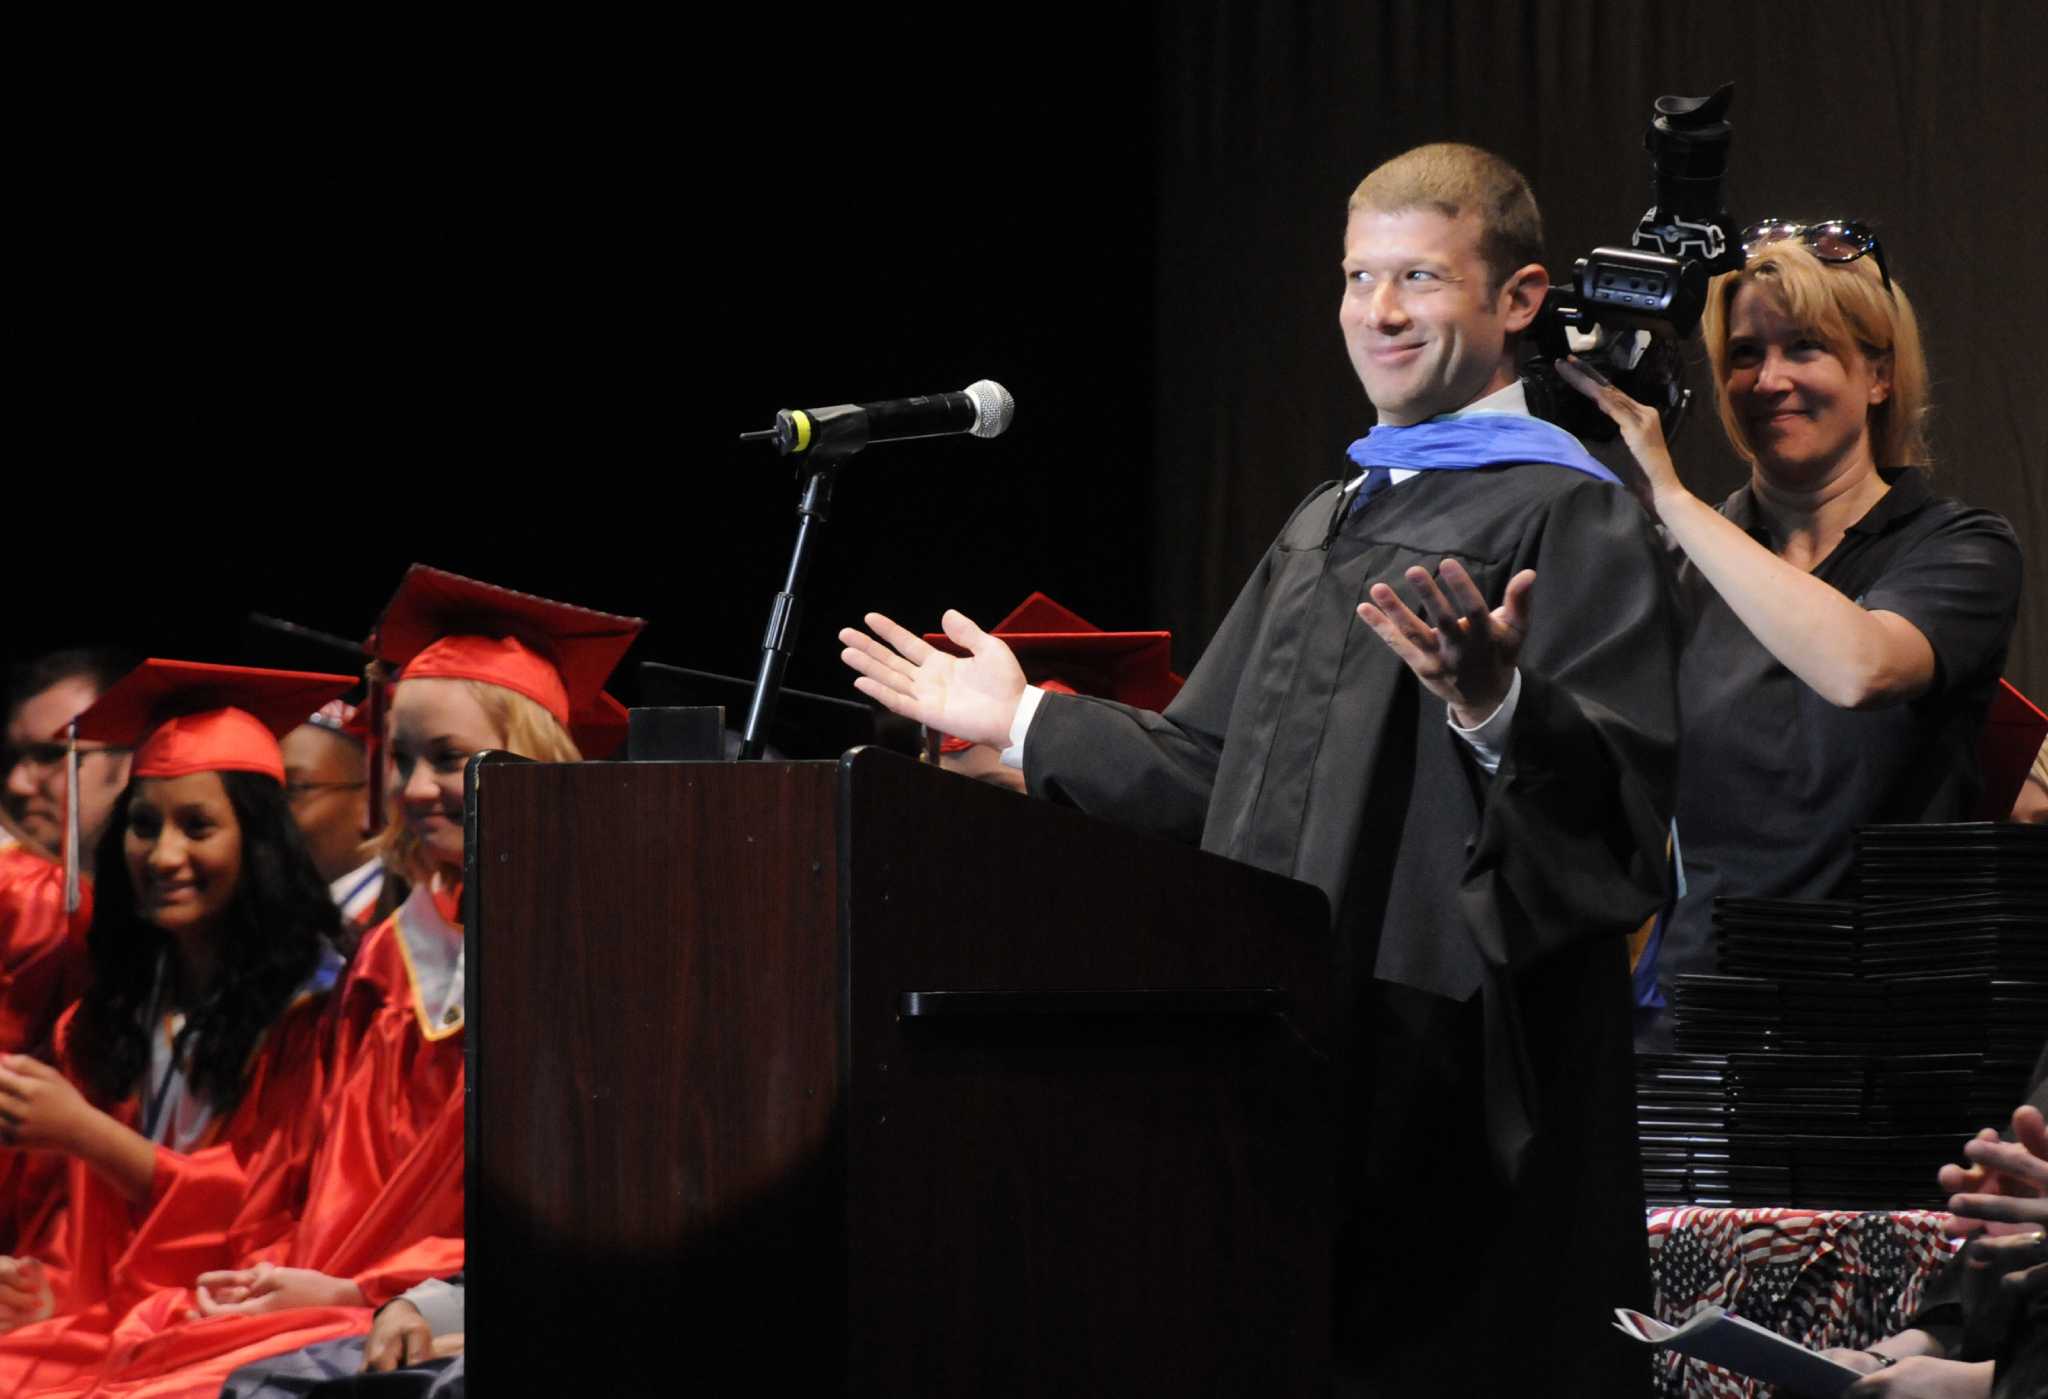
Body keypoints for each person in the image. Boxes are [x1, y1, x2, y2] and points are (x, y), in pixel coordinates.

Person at [841, 142, 1680, 1396]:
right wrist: (1023, 724)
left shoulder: (1570, 512)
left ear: (1518, 299)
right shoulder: (1326, 519)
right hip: (1292, 1063)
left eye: (1417, 278)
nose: (1378, 313)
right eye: (1356, 278)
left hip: (1445, 1096)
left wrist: (1496, 703)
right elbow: (1208, 773)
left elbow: (1622, 819)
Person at [36, 566, 641, 1399]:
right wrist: (298, 1271)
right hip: (342, 1293)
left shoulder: (589, 950)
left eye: (451, 759)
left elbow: (567, 1205)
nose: (418, 787)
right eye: (402, 759)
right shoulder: (390, 956)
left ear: (535, 759)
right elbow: (328, 1186)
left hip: (444, 1310)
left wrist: (359, 1290)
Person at [1558, 224, 2024, 1049]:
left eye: (1805, 347)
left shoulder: (1961, 547)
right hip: (1696, 1030)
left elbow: (1858, 665)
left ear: (1878, 373)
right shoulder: (1678, 554)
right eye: (1744, 354)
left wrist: (1669, 498)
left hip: (1882, 1051)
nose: (1768, 380)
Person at [0, 661, 354, 1384]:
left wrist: (88, 1132)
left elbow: (274, 1217)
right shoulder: (101, 1019)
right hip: (113, 1315)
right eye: (143, 825)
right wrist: (31, 1286)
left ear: (256, 843)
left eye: (198, 826)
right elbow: (78, 1239)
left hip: (234, 1320)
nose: (163, 855)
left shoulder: (316, 1014)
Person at [0, 651, 133, 1056]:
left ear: (132, 756)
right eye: (12, 759)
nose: (18, 784)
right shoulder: (26, 896)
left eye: (51, 756)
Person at [279, 701, 391, 940]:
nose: (271, 811)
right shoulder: (277, 924)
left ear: (371, 801)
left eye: (294, 789)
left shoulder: (399, 932)